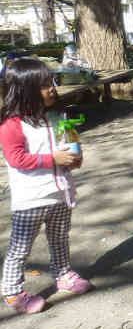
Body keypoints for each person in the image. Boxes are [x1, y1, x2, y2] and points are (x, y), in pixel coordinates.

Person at [1, 58, 91, 314]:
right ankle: (12, 292)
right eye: (43, 85)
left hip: (60, 192)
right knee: (20, 248)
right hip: (32, 197)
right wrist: (53, 159)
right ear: (24, 90)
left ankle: (63, 274)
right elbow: (16, 158)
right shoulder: (12, 124)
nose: (51, 89)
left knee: (60, 238)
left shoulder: (56, 115)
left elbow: (67, 143)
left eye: (51, 82)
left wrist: (74, 157)